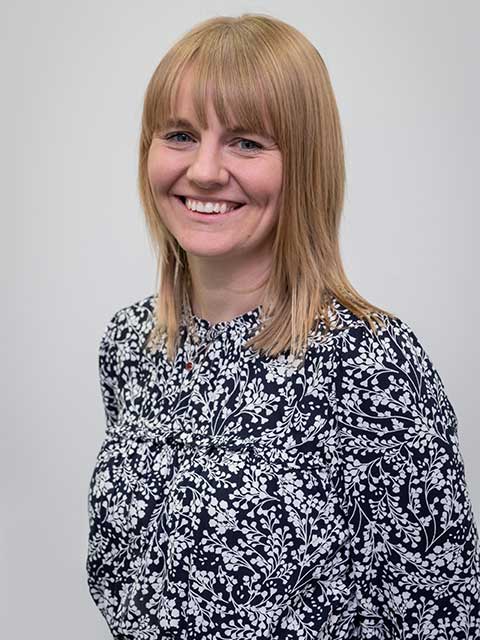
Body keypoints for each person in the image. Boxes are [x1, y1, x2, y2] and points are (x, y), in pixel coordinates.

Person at [86, 13, 480, 639]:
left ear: (306, 165)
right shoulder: (132, 343)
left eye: (247, 142)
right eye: (181, 135)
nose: (207, 170)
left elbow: (442, 619)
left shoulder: (372, 365)